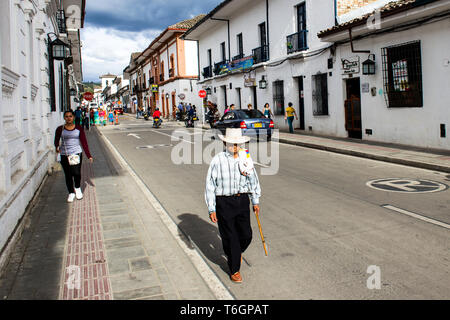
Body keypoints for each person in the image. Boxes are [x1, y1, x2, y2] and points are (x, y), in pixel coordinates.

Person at [205, 128, 261, 283]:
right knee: (230, 237)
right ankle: (234, 269)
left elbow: (253, 180)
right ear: (225, 143)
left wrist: (255, 200)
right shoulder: (218, 160)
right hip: (224, 202)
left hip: (242, 200)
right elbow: (210, 184)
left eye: (237, 144)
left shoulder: (246, 159)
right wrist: (212, 208)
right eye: (231, 143)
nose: (234, 146)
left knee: (246, 235)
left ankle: (236, 253)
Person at [54, 110, 93, 203]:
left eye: (70, 116)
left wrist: (89, 155)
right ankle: (71, 193)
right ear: (64, 118)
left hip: (76, 153)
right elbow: (56, 140)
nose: (68, 118)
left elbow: (84, 142)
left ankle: (77, 188)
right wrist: (57, 147)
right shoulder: (60, 129)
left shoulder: (79, 128)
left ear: (74, 117)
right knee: (68, 175)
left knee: (76, 173)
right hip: (65, 154)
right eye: (66, 116)